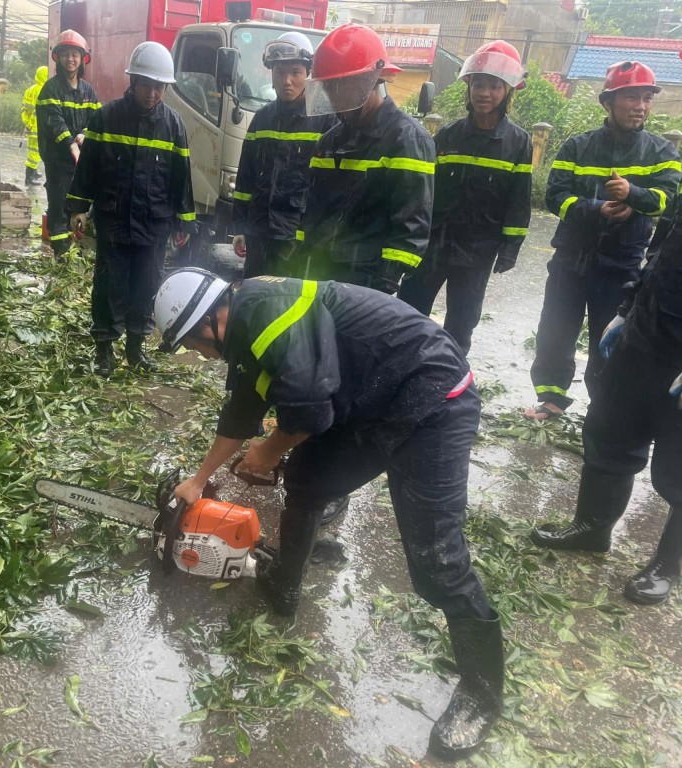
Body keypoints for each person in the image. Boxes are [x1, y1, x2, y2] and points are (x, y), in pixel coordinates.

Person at [156, 268, 502, 761]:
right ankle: (285, 583)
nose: (197, 355)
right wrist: (199, 478)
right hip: (371, 402)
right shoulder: (246, 331)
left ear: (208, 321)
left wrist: (268, 453)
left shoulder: (268, 318)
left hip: (432, 401)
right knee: (308, 481)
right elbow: (242, 410)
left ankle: (482, 696)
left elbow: (310, 414)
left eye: (192, 345)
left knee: (437, 563)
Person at [530, 21, 682, 606]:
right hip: (649, 326)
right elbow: (665, 241)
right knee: (611, 428)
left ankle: (668, 564)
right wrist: (630, 306)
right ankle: (593, 529)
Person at [524, 61, 682, 420]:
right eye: (630, 97)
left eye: (646, 98)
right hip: (571, 259)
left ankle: (604, 408)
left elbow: (667, 199)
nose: (640, 105)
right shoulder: (577, 147)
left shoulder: (662, 152)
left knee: (608, 337)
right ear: (607, 102)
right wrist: (597, 209)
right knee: (556, 330)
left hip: (621, 262)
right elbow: (556, 196)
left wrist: (633, 197)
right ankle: (551, 398)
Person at [67, 42, 196, 377]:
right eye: (146, 85)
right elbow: (88, 169)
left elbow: (182, 178)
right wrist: (78, 207)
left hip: (154, 225)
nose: (152, 93)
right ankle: (104, 351)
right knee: (109, 286)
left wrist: (185, 221)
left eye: (159, 87)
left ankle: (136, 349)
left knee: (146, 286)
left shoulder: (174, 125)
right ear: (133, 80)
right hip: (114, 219)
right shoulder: (106, 117)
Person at [398, 41, 532, 357]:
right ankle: (400, 365)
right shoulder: (448, 135)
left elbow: (519, 198)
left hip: (478, 250)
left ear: (508, 91)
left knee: (462, 321)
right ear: (468, 86)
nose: (484, 93)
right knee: (408, 312)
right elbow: (425, 190)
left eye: (494, 86)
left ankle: (448, 378)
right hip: (434, 243)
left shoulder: (518, 142)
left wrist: (510, 247)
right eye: (479, 84)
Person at [294, 24, 434, 294]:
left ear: (372, 81)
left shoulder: (407, 140)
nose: (336, 97)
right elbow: (311, 211)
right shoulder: (329, 141)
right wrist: (300, 258)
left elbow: (411, 225)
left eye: (343, 86)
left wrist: (386, 283)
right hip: (322, 272)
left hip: (369, 280)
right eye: (330, 88)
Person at [232, 32, 338, 278]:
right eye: (280, 73)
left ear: (308, 73)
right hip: (259, 231)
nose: (287, 81)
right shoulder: (262, 119)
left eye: (295, 72)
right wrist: (240, 227)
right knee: (254, 295)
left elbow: (331, 188)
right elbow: (245, 178)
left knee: (286, 303)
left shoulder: (326, 121)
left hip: (297, 237)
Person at [37, 30, 100, 259]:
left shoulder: (88, 91)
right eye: (65, 54)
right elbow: (55, 123)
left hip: (80, 163)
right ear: (58, 58)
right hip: (59, 163)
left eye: (75, 54)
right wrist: (72, 145)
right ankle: (61, 257)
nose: (70, 59)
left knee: (81, 207)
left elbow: (96, 121)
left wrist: (84, 134)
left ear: (82, 58)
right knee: (59, 209)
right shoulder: (50, 89)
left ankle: (77, 253)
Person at [21, 65, 48, 186]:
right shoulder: (44, 90)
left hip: (31, 127)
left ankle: (34, 172)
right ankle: (29, 178)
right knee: (35, 153)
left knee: (32, 151)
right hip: (39, 128)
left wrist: (27, 123)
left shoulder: (30, 89)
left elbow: (24, 109)